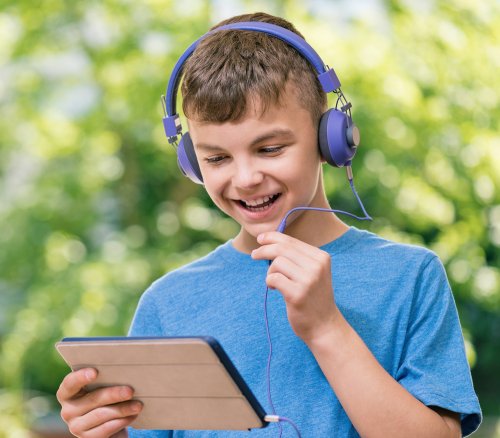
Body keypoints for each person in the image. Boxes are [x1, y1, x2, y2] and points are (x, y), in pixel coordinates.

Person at [56, 12, 481, 438]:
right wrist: (105, 430)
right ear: (191, 162)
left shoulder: (410, 277)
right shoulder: (168, 303)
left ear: (329, 139)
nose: (244, 178)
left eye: (270, 148)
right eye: (217, 158)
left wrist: (326, 328)